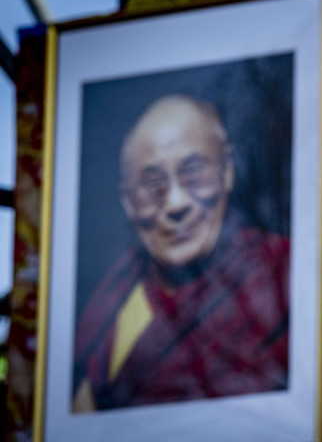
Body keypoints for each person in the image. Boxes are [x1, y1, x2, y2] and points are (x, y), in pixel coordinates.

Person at [72, 94, 290, 411]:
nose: (176, 204)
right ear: (128, 203)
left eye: (194, 172)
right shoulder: (109, 311)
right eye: (151, 186)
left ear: (227, 171)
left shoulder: (282, 271)